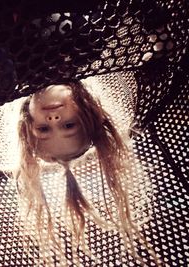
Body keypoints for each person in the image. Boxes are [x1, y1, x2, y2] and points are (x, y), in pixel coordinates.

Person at [13, 80, 159, 265]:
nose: (54, 120)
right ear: (87, 111)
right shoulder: (87, 54)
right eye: (69, 126)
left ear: (28, 120)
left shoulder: (4, 85)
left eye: (43, 129)